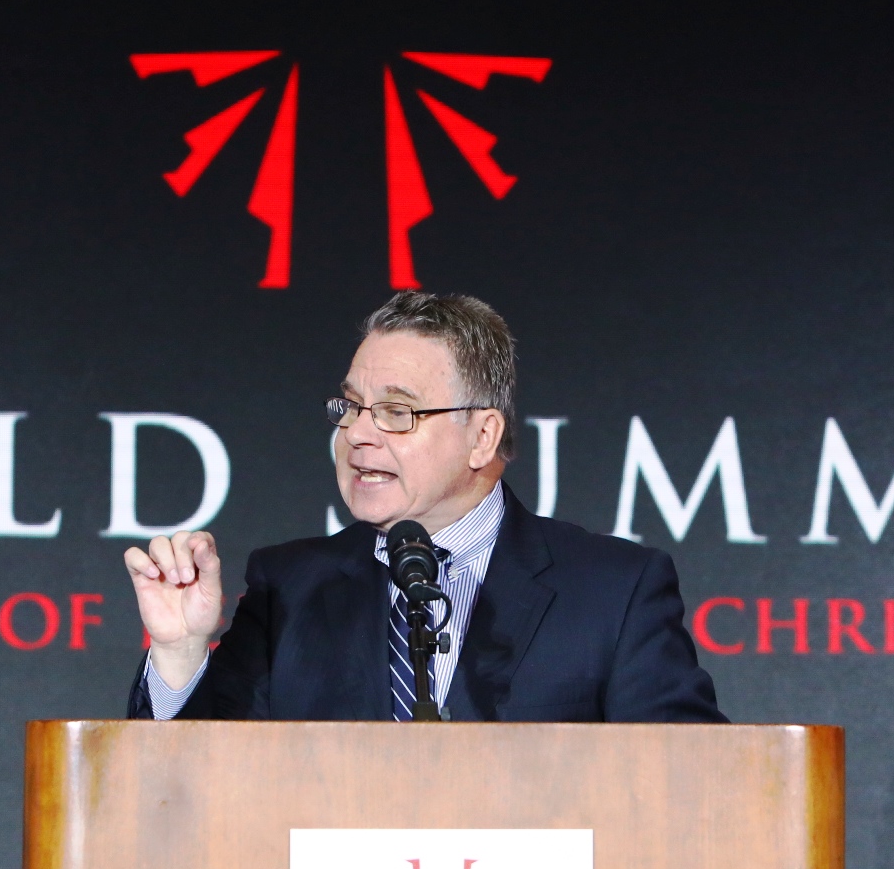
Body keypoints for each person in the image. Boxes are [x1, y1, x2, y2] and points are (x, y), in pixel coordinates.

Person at [124, 291, 724, 722]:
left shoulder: (614, 592)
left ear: (482, 437)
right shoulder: (289, 589)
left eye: (397, 411)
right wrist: (179, 653)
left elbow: (694, 784)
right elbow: (195, 788)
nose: (358, 434)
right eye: (351, 407)